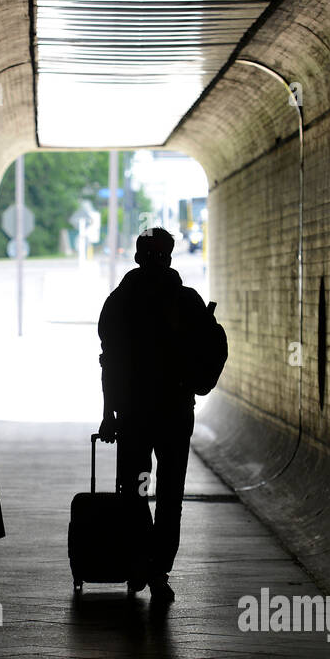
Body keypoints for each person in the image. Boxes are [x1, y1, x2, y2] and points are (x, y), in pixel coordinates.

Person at [97, 228, 207, 603]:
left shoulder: (120, 302)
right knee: (170, 493)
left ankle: (143, 562)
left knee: (135, 488)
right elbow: (206, 352)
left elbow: (108, 362)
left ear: (137, 258)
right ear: (169, 258)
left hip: (134, 414)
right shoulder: (188, 301)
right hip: (175, 413)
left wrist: (108, 413)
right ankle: (158, 569)